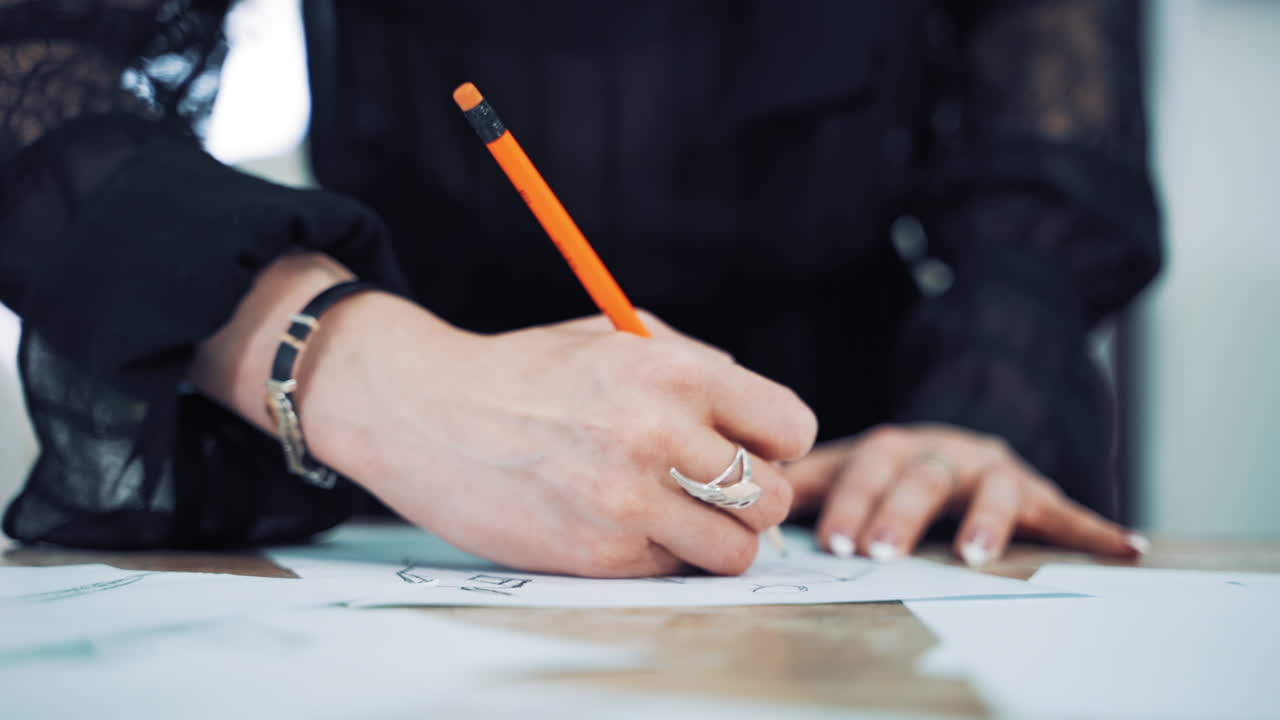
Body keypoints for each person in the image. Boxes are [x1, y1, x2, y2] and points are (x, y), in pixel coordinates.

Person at [0, 0, 1161, 575]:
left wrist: (975, 410)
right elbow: (32, 63)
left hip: (833, 493)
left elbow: (1046, 149)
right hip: (389, 470)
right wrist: (341, 359)